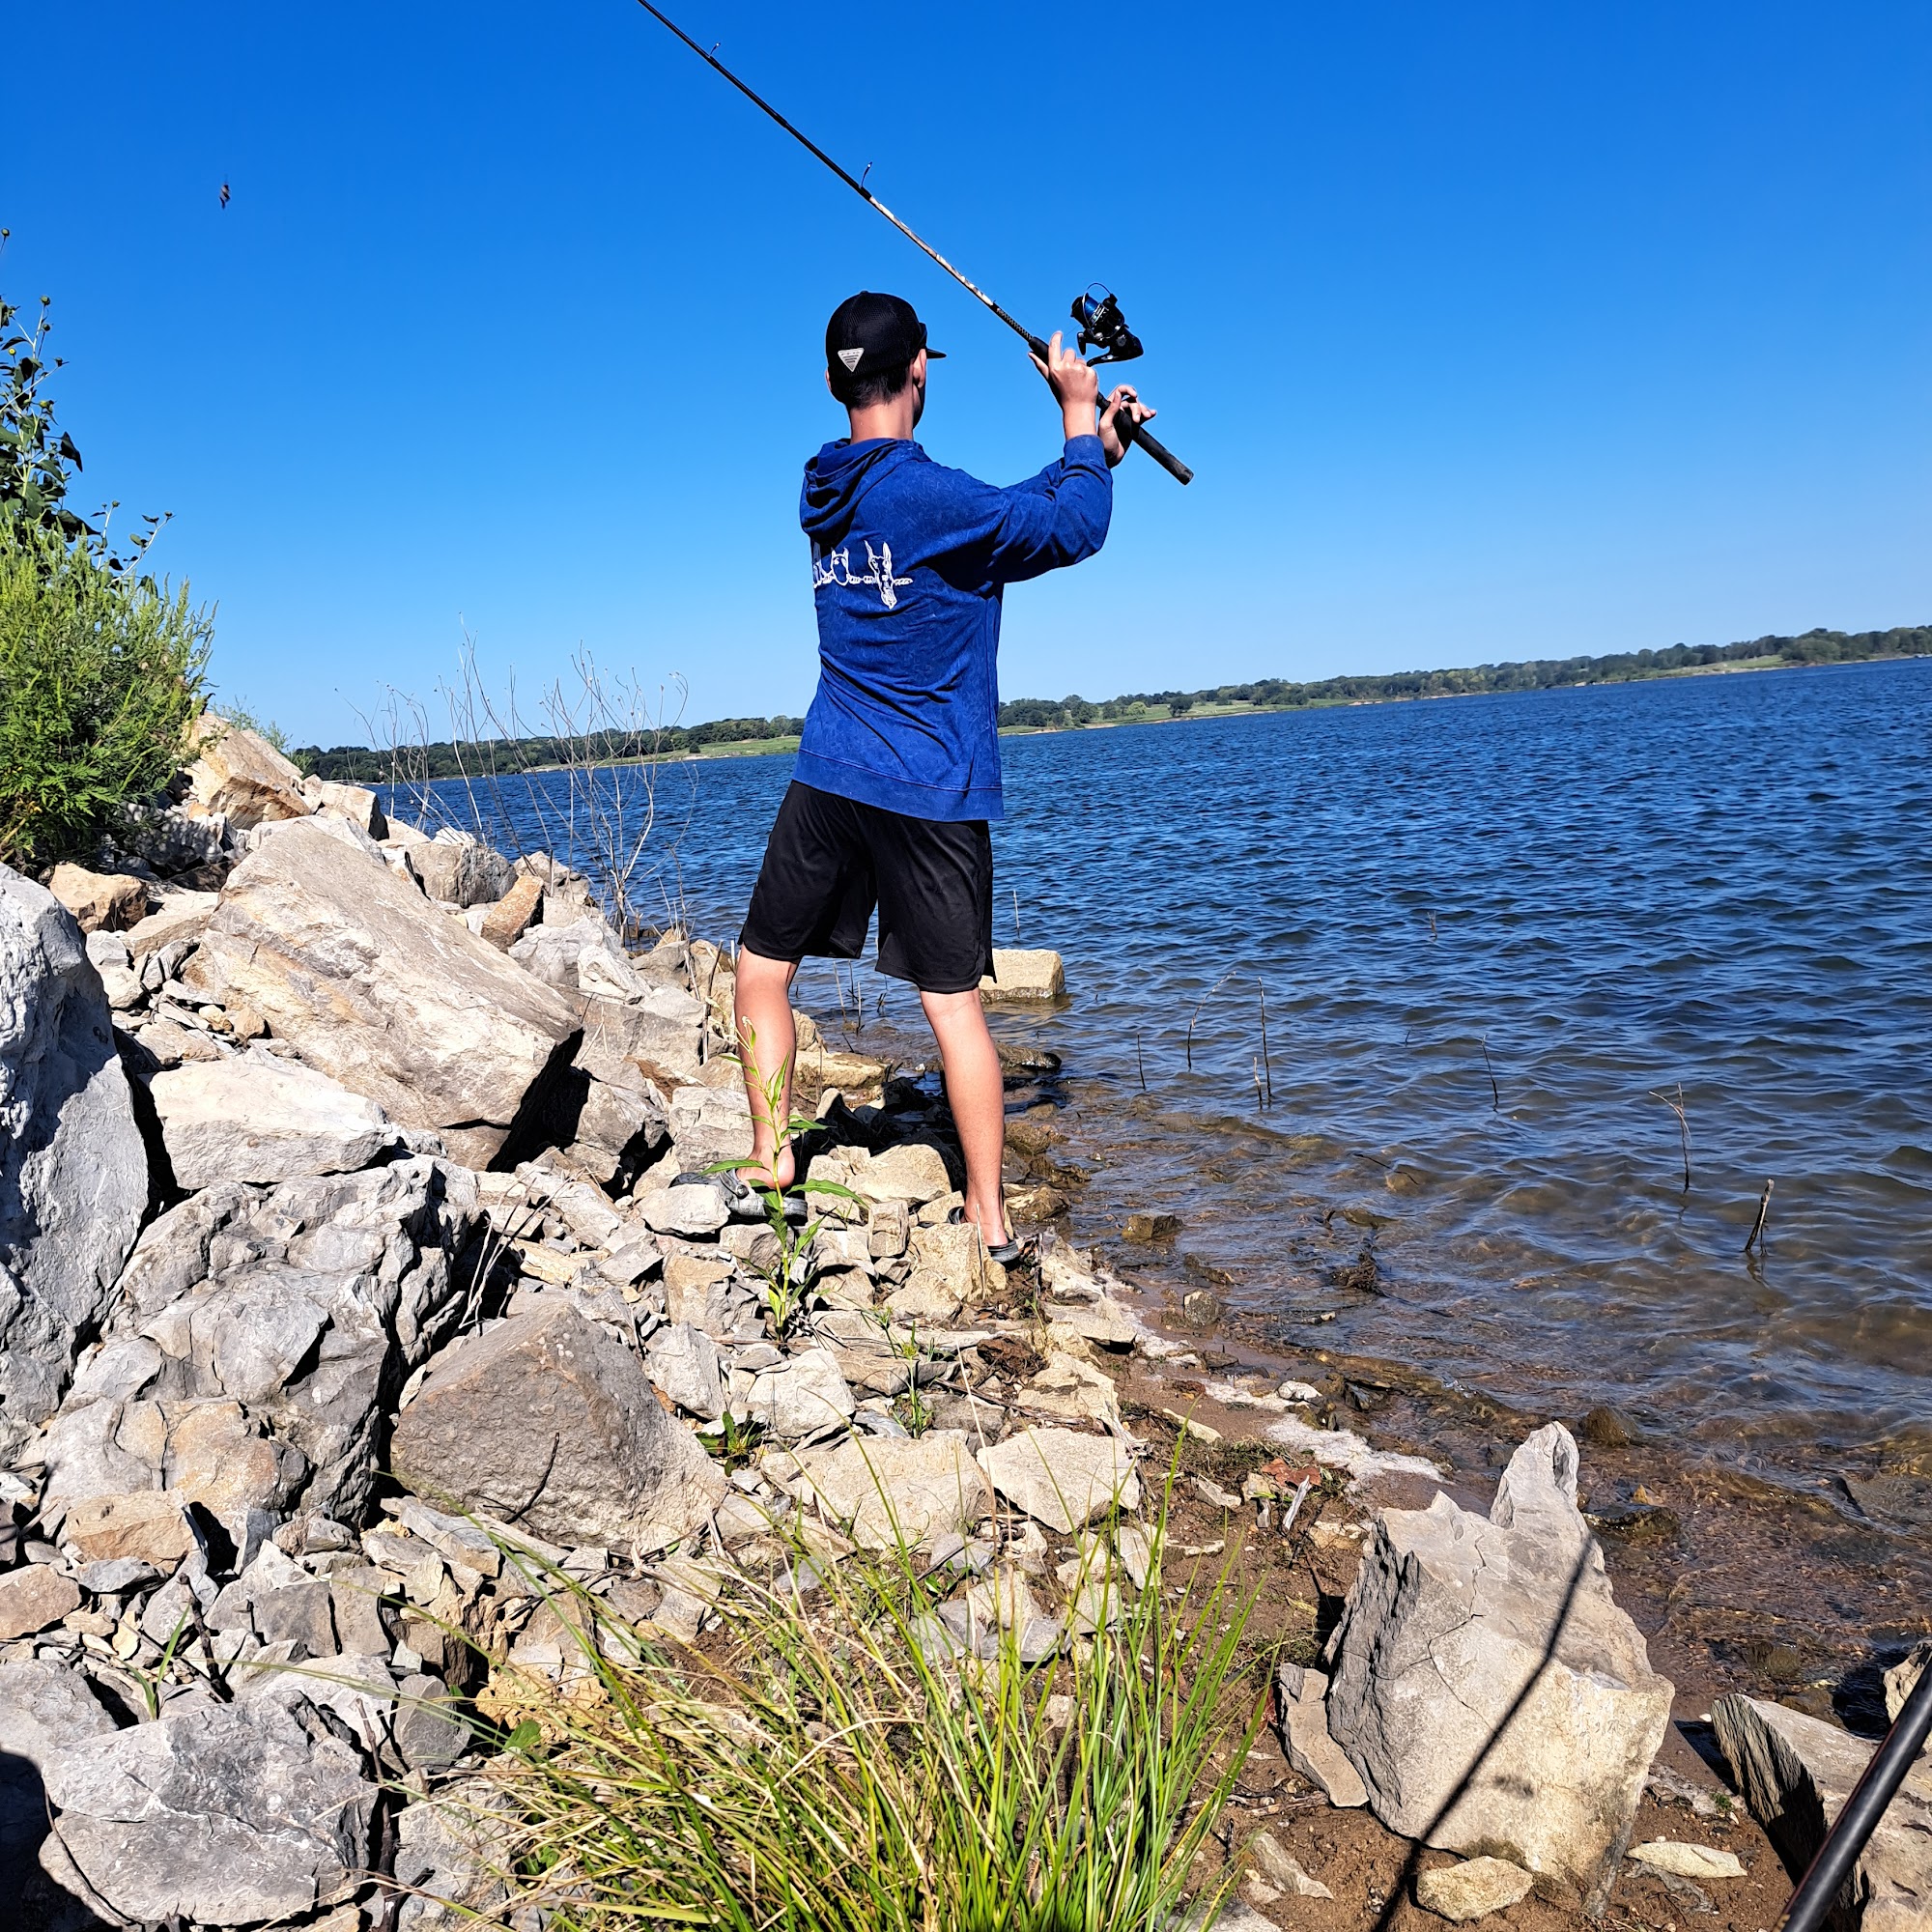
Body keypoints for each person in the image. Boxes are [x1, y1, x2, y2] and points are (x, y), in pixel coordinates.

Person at [733, 289, 1152, 1261]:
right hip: (928, 787)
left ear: (836, 380)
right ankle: (988, 1217)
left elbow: (998, 520)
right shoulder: (930, 497)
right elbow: (1066, 529)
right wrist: (1077, 421)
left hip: (832, 771)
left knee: (759, 972)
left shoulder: (820, 489)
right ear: (918, 370)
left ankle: (768, 1157)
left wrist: (1091, 448)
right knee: (954, 1008)